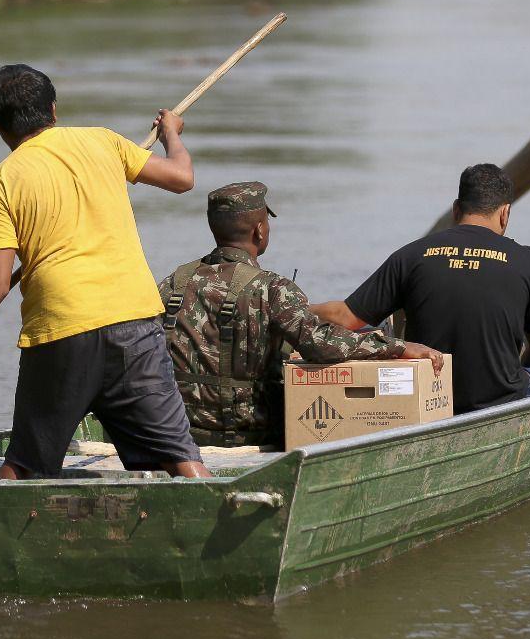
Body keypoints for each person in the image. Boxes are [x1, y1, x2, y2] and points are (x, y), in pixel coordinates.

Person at [0, 64, 212, 479]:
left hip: (62, 332)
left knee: (25, 467)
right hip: (134, 323)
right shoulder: (104, 141)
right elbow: (182, 177)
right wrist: (172, 134)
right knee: (180, 459)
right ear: (54, 111)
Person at [158, 181, 444, 447]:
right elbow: (322, 345)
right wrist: (398, 347)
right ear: (259, 230)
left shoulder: (173, 283)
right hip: (252, 433)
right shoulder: (272, 288)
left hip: (183, 431)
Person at [311, 164, 530, 414]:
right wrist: (520, 369)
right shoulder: (527, 263)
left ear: (455, 209)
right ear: (505, 214)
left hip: (429, 399)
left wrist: (280, 302)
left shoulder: (412, 255)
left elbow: (345, 317)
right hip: (501, 397)